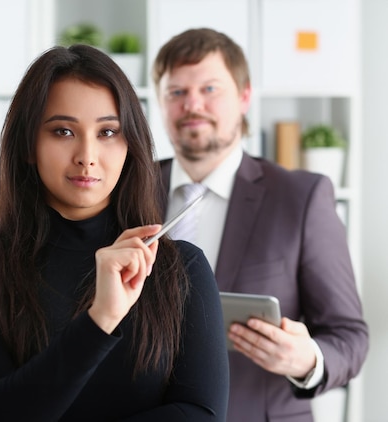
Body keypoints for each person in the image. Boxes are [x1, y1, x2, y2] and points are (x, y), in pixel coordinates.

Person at [0, 44, 229, 421]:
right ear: (28, 144)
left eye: (107, 131)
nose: (87, 155)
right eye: (63, 131)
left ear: (130, 144)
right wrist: (100, 319)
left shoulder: (180, 267)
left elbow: (202, 415)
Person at [152, 28, 369, 422]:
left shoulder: (300, 198)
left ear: (245, 96)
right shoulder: (126, 190)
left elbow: (349, 336)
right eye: (176, 92)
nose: (192, 105)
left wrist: (307, 360)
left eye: (210, 88)